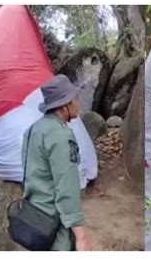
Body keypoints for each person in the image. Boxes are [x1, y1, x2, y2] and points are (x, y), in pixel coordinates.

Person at [22, 74, 90, 251]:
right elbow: (66, 188)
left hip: (35, 215)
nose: (78, 103)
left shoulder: (34, 129)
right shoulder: (60, 135)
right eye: (75, 98)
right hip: (55, 221)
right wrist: (80, 234)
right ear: (65, 104)